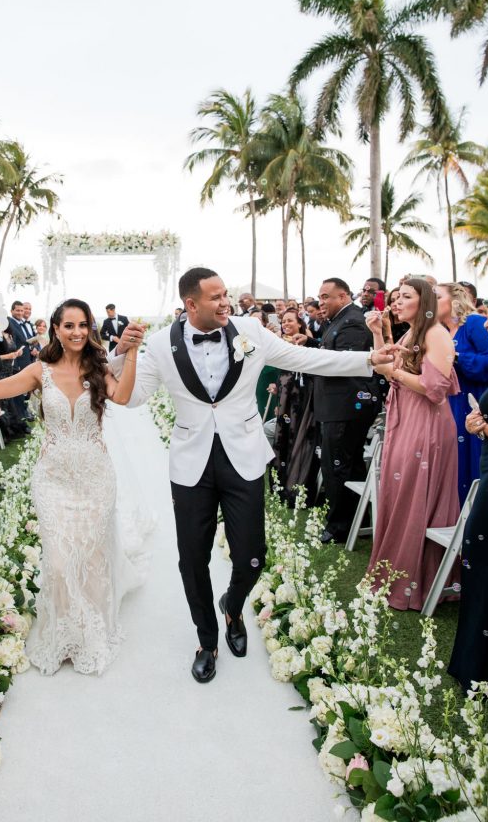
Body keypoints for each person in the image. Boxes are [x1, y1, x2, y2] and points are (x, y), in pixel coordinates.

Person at [110, 267, 393, 683]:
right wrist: (125, 356)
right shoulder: (160, 344)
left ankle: (232, 605)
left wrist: (368, 359)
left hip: (242, 457)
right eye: (215, 297)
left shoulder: (250, 332)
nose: (225, 301)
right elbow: (132, 399)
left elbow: (305, 357)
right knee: (192, 560)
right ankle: (207, 640)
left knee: (251, 556)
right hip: (191, 464)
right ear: (191, 304)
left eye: (226, 294)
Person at [0, 299, 144, 675]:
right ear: (55, 329)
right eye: (69, 325)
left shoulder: (98, 368)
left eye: (83, 325)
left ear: (90, 327)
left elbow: (125, 397)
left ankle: (91, 629)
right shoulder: (40, 371)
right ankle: (64, 630)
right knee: (60, 559)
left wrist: (130, 354)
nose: (77, 332)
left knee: (92, 555)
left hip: (96, 477)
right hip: (53, 479)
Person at [366, 278, 460, 611]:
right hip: (405, 422)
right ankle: (394, 574)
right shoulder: (411, 333)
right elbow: (384, 365)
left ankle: (416, 583)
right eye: (395, 297)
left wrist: (397, 375)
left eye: (406, 296)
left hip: (426, 427)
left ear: (425, 301)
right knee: (399, 494)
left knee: (412, 495)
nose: (396, 301)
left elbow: (434, 388)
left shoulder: (436, 333)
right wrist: (378, 333)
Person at [449, 295, 488, 696]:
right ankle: (475, 661)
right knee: (482, 559)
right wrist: (479, 420)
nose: (487, 325)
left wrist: (485, 428)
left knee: (486, 558)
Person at [312, 278, 381, 544]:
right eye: (320, 297)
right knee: (344, 465)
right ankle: (354, 519)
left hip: (346, 406)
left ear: (343, 297)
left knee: (337, 465)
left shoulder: (352, 321)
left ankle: (338, 526)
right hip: (337, 405)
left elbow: (344, 363)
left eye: (326, 296)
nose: (321, 302)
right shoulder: (337, 321)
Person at [436, 282, 488, 504]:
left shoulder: (473, 323)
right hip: (448, 403)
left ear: (453, 301)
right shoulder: (439, 332)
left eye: (437, 296)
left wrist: (457, 357)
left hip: (473, 400)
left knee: (472, 460)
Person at [273, 311, 320, 505]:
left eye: (290, 320)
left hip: (302, 398)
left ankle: (296, 488)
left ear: (300, 324)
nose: (285, 324)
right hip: (285, 398)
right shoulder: (281, 343)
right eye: (283, 321)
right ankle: (281, 484)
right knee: (284, 438)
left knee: (299, 439)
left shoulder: (308, 343)